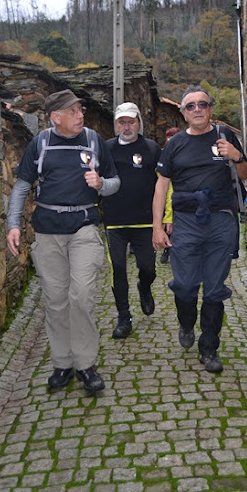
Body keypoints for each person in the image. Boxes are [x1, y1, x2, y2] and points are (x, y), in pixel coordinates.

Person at [6, 89, 120, 392]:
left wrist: (101, 183)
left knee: (81, 296)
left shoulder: (94, 141)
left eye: (80, 109)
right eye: (73, 111)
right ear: (55, 117)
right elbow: (22, 185)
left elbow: (115, 182)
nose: (80, 115)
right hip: (48, 231)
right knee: (56, 301)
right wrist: (13, 224)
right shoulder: (40, 144)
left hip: (84, 228)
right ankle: (62, 363)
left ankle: (86, 364)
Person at [152, 86, 247, 373]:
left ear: (210, 109)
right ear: (183, 113)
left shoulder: (224, 135)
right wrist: (158, 227)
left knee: (215, 288)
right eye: (191, 106)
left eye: (202, 104)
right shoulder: (175, 144)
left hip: (220, 221)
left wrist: (237, 156)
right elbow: (161, 186)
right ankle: (186, 322)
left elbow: (245, 175)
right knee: (185, 285)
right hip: (186, 223)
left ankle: (209, 348)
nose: (197, 110)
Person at [102, 102, 161, 339]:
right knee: (117, 268)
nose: (127, 127)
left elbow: (163, 183)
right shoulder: (106, 148)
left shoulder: (151, 149)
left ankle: (144, 287)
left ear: (139, 123)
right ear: (116, 125)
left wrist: (164, 218)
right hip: (115, 222)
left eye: (131, 122)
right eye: (122, 122)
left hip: (145, 222)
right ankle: (123, 317)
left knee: (148, 269)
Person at [159, 127, 180, 264]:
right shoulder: (163, 154)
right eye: (169, 137)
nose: (170, 139)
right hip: (166, 193)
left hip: (180, 194)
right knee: (167, 225)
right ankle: (167, 250)